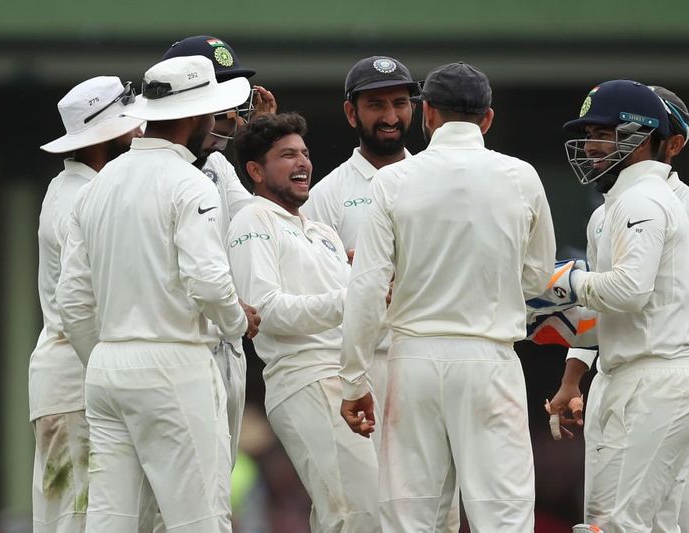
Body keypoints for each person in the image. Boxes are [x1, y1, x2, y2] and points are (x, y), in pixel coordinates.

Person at [338, 62, 557, 532]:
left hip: (412, 362)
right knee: (503, 517)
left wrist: (354, 382)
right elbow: (538, 278)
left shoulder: (392, 181)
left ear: (428, 114)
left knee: (412, 518)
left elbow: (367, 287)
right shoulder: (521, 177)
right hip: (490, 358)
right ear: (488, 118)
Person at [544, 85, 689, 532]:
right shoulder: (605, 212)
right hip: (618, 380)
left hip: (668, 382)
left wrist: (683, 343)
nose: (592, 144)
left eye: (605, 132)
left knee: (685, 523)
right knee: (609, 521)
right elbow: (601, 304)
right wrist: (573, 377)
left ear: (669, 141)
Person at [56, 55, 258, 532]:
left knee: (111, 521)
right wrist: (237, 321)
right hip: (175, 365)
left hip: (107, 370)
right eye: (210, 113)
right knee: (201, 520)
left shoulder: (98, 187)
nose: (213, 123)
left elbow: (73, 301)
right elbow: (208, 282)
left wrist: (105, 355)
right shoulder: (190, 184)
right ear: (193, 117)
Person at [227, 112, 379, 532]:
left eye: (305, 154)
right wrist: (355, 297)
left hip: (348, 378)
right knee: (355, 512)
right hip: (302, 378)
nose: (303, 163)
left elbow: (359, 308)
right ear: (255, 171)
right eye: (287, 155)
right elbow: (266, 312)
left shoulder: (324, 233)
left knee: (355, 509)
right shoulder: (252, 221)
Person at [31, 76, 143, 533]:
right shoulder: (80, 198)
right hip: (76, 382)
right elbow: (81, 306)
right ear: (108, 135)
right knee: (75, 517)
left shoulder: (80, 187)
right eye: (130, 126)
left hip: (74, 379)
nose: (139, 134)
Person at [161, 33, 276, 468]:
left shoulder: (216, 164)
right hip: (178, 348)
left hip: (224, 348)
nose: (228, 113)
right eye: (218, 95)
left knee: (214, 492)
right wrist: (234, 317)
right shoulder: (157, 169)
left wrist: (260, 140)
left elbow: (260, 220)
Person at [300, 54, 418, 447]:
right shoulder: (325, 196)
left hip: (426, 356)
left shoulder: (433, 179)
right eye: (375, 105)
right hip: (363, 368)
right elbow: (310, 290)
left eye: (400, 103)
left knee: (438, 501)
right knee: (366, 501)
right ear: (351, 113)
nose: (390, 116)